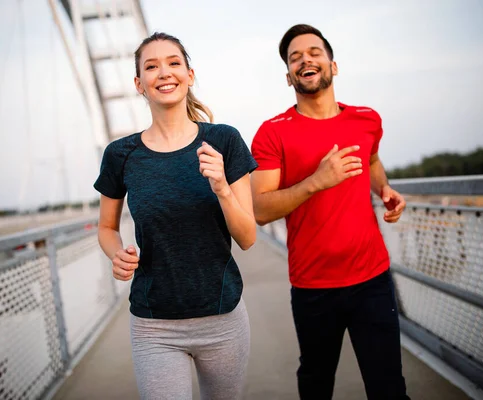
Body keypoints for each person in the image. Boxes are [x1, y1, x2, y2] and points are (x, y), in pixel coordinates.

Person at [94, 32, 257, 400]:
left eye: (173, 63)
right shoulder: (121, 155)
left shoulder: (225, 141)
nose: (164, 73)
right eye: (151, 66)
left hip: (223, 319)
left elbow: (247, 238)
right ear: (139, 84)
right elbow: (106, 227)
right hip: (155, 327)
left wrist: (222, 188)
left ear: (190, 74)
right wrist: (115, 253)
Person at [250, 24, 410, 399]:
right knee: (317, 385)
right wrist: (316, 181)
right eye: (295, 57)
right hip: (313, 286)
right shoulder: (272, 133)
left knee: (389, 388)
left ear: (332, 66)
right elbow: (259, 210)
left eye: (314, 52)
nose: (306, 59)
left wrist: (384, 189)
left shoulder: (367, 119)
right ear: (288, 77)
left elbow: (371, 161)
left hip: (372, 278)